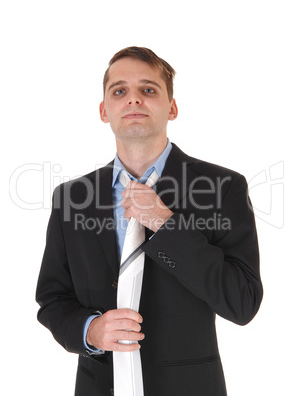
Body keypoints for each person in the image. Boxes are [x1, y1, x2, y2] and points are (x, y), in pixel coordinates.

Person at [36, 46, 263, 396]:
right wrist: (89, 331)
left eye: (148, 89)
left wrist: (166, 224)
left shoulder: (223, 187)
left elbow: (243, 301)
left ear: (171, 107)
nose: (133, 100)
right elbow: (53, 298)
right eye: (119, 91)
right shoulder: (71, 197)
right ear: (104, 110)